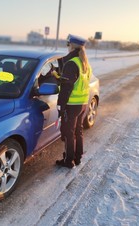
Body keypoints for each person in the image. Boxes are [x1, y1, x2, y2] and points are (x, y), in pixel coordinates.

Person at [56, 34, 92, 169]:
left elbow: (66, 88)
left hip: (71, 105)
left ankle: (68, 160)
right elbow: (76, 82)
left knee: (68, 133)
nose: (67, 47)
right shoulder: (84, 63)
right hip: (82, 103)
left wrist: (60, 106)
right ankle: (77, 158)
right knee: (78, 131)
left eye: (67, 45)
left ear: (71, 46)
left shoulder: (71, 64)